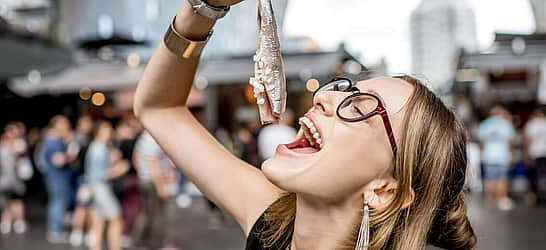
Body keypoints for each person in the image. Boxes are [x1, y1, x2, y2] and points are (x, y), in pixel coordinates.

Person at [133, 1, 477, 249]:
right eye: (346, 89)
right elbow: (158, 109)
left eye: (360, 107)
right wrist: (203, 8)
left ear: (384, 191)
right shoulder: (274, 226)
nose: (324, 97)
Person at [85, 121, 126, 250]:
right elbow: (98, 175)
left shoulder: (99, 146)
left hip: (97, 188)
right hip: (101, 189)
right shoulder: (99, 148)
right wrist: (119, 170)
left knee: (99, 221)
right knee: (116, 218)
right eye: (107, 129)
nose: (110, 132)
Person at [131, 131, 173, 248]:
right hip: (152, 181)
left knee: (147, 212)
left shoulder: (143, 137)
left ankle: (137, 240)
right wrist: (161, 186)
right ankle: (158, 244)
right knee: (159, 215)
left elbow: (135, 157)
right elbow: (153, 163)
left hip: (145, 179)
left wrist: (142, 172)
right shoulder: (152, 138)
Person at [41, 115, 74, 243]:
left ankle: (56, 229)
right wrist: (70, 156)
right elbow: (58, 161)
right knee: (57, 203)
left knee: (57, 202)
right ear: (57, 125)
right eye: (64, 124)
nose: (67, 126)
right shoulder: (53, 141)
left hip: (55, 178)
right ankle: (54, 231)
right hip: (57, 178)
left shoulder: (52, 140)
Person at [478, 106, 516, 210]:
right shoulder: (506, 124)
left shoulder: (485, 124)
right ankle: (501, 200)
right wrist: (511, 154)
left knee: (489, 178)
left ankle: (490, 200)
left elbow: (482, 143)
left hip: (488, 156)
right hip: (502, 156)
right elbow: (510, 142)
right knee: (502, 179)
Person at [0, 123, 27, 234]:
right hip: (4, 179)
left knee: (17, 201)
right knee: (4, 202)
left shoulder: (19, 144)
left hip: (17, 179)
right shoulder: (2, 146)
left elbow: (22, 160)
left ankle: (19, 221)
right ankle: (6, 221)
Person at [524, 109, 546, 205]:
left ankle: (533, 197)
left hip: (535, 153)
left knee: (533, 176)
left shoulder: (531, 124)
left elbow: (528, 140)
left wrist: (527, 153)